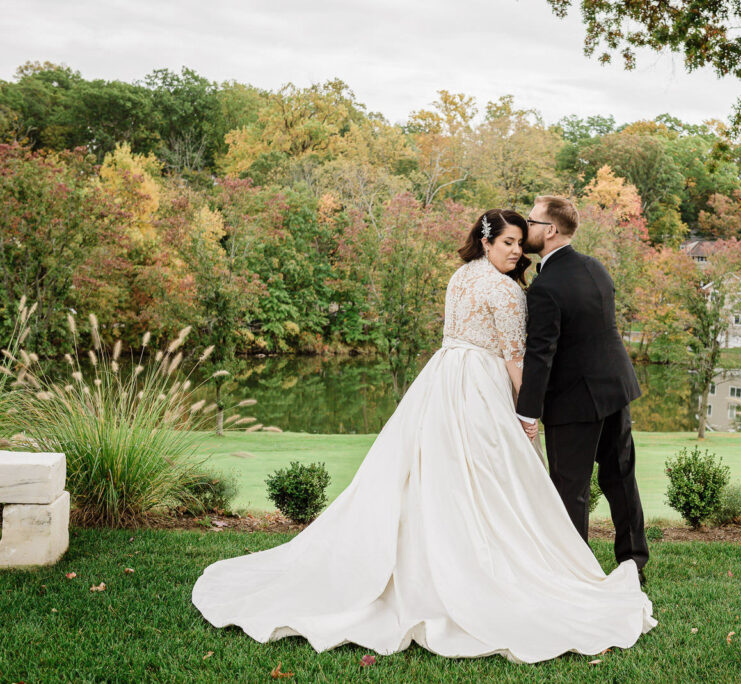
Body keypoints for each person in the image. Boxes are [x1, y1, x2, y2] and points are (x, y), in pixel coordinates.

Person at [191, 209, 655, 664]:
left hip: (445, 380)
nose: (517, 250)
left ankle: (456, 557)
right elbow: (518, 358)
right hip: (510, 385)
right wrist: (525, 418)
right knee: (520, 479)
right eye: (509, 242)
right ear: (488, 242)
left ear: (545, 231)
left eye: (522, 238)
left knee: (441, 474)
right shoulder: (551, 280)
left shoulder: (462, 276)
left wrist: (527, 409)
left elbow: (518, 348)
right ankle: (572, 564)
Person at [516, 196, 649, 584]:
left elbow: (541, 355)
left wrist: (528, 412)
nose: (527, 228)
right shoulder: (595, 267)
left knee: (570, 489)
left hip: (574, 400)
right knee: (620, 478)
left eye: (532, 221)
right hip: (615, 389)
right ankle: (634, 563)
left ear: (550, 230)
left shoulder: (546, 287)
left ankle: (574, 572)